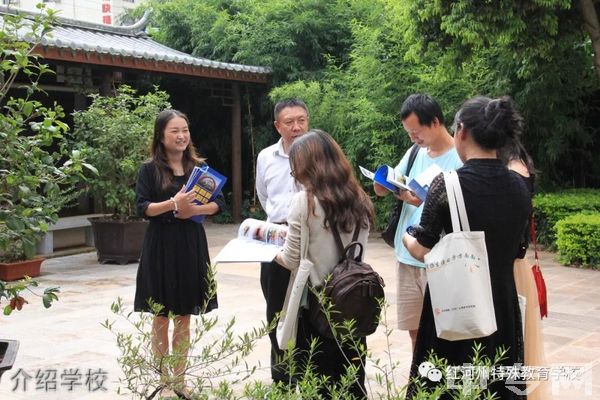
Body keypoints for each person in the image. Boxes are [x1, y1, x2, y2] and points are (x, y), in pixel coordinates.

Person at [403, 96, 532, 399]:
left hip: (455, 306)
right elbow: (519, 249)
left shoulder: (446, 185)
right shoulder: (519, 187)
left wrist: (408, 235)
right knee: (498, 384)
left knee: (446, 383)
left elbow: (421, 248)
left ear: (461, 131)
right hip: (501, 305)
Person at [274, 129, 374, 398]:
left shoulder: (305, 202)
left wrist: (270, 251)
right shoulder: (360, 199)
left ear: (306, 166)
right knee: (352, 380)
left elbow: (291, 259)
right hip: (354, 301)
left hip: (318, 309)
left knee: (318, 382)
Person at [134, 109, 224, 397]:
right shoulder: (149, 170)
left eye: (184, 129)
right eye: (174, 130)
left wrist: (193, 209)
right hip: (160, 246)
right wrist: (173, 203)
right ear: (161, 136)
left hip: (189, 245)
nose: (181, 135)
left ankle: (179, 380)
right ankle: (162, 381)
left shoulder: (200, 168)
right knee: (161, 315)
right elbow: (143, 208)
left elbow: (219, 203)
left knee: (184, 316)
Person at [373, 93, 462, 351]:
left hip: (439, 258)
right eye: (409, 133)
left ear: (435, 122)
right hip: (406, 256)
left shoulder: (460, 157)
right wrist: (383, 184)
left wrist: (423, 202)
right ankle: (420, 384)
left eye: (416, 132)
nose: (413, 138)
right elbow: (393, 181)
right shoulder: (415, 152)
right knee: (415, 333)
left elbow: (461, 208)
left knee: (443, 334)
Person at [255, 98, 310, 383]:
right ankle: (283, 379)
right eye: (289, 122)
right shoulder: (265, 157)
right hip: (275, 238)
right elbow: (265, 197)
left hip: (312, 238)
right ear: (278, 126)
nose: (297, 127)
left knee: (312, 310)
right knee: (276, 309)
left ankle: (310, 373)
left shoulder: (318, 153)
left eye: (301, 120)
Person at [499, 138, 551, 400]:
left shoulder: (513, 170)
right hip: (515, 266)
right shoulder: (520, 163)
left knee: (514, 344)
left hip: (511, 269)